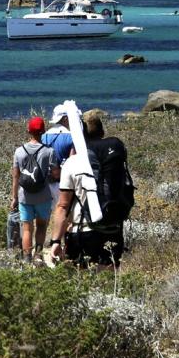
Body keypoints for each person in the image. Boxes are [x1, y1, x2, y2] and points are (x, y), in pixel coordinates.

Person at [49, 109, 129, 269]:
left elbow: (63, 206)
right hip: (113, 227)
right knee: (109, 276)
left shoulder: (72, 163)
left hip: (83, 230)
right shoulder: (114, 157)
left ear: (80, 133)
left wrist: (56, 241)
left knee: (81, 280)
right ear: (103, 131)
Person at [11, 116, 60, 265]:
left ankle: (27, 258)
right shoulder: (49, 151)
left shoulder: (19, 151)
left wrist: (14, 197)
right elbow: (55, 173)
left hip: (24, 196)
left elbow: (15, 176)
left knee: (27, 229)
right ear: (43, 131)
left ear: (28, 131)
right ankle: (38, 256)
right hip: (43, 196)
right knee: (41, 226)